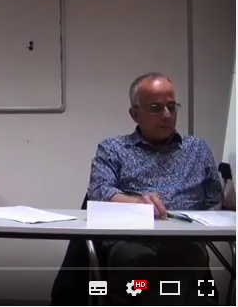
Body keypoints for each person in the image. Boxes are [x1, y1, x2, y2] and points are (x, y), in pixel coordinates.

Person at [87, 72, 223, 305]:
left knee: (187, 262)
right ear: (134, 114)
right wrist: (138, 204)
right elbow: (98, 191)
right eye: (156, 108)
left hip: (185, 241)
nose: (167, 115)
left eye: (171, 107)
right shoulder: (113, 149)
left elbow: (214, 200)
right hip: (132, 240)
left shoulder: (198, 150)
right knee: (137, 265)